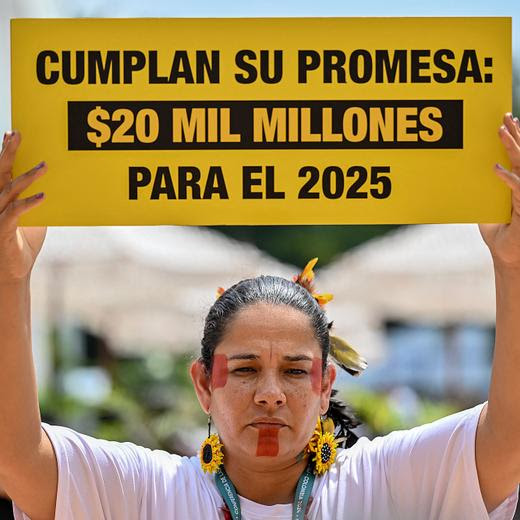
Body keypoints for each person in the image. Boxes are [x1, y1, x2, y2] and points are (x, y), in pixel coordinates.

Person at [0, 114, 519, 520]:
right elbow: (17, 457)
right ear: (203, 385)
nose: (271, 393)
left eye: (295, 371)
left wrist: (512, 266)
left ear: (325, 386)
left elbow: (509, 439)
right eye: (245, 368)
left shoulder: (386, 480)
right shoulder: (145, 491)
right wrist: (9, 277)